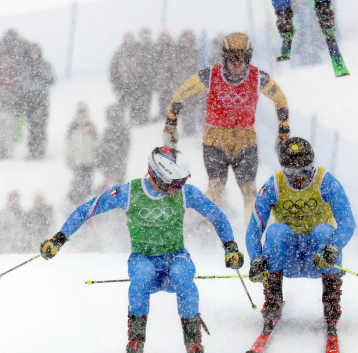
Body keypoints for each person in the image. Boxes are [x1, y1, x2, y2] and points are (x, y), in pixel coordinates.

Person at [39, 147, 245, 353]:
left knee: (182, 275)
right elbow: (87, 210)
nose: (180, 187)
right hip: (143, 258)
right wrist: (59, 239)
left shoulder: (185, 193)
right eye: (177, 183)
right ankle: (136, 342)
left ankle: (193, 342)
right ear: (160, 178)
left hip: (175, 256)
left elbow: (217, 216)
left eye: (183, 181)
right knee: (142, 276)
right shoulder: (129, 193)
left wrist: (230, 247)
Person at [162, 32, 289, 224]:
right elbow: (180, 95)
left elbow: (280, 99)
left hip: (245, 141)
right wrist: (170, 126)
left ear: (248, 57)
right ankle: (203, 229)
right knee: (215, 189)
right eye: (232, 57)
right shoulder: (210, 75)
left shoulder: (258, 77)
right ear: (224, 56)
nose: (237, 63)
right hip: (215, 140)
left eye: (242, 57)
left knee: (249, 191)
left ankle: (254, 234)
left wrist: (284, 133)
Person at [245, 137, 355, 351]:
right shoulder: (274, 185)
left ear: (312, 165)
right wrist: (256, 259)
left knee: (324, 231)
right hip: (287, 259)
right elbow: (254, 228)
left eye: (305, 171)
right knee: (276, 231)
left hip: (319, 258)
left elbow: (348, 222)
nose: (298, 178)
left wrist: (333, 248)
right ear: (283, 169)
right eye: (291, 172)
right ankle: (273, 300)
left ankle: (331, 304)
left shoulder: (326, 182)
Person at [65, 102, 98, 204]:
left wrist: (93, 131)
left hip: (89, 160)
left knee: (88, 184)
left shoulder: (91, 126)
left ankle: (89, 204)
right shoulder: (73, 126)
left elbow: (97, 143)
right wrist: (69, 157)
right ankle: (78, 203)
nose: (82, 113)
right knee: (78, 183)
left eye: (84, 111)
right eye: (80, 111)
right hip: (77, 161)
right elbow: (69, 144)